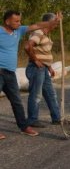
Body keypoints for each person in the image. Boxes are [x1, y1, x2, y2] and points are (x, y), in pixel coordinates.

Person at [0, 10, 60, 138]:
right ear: (7, 21)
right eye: (16, 21)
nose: (19, 23)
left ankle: (24, 126)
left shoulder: (19, 31)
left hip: (10, 73)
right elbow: (29, 45)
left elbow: (37, 25)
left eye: (19, 20)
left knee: (16, 101)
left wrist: (53, 22)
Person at [24, 13, 64, 128]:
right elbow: (28, 46)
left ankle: (57, 118)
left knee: (51, 94)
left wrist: (49, 67)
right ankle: (32, 119)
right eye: (55, 23)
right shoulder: (38, 32)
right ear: (49, 22)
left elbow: (44, 52)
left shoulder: (46, 34)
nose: (56, 26)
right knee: (36, 95)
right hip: (36, 68)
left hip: (44, 69)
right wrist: (35, 60)